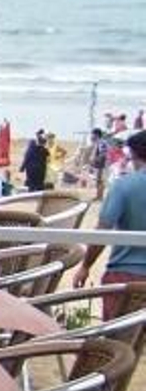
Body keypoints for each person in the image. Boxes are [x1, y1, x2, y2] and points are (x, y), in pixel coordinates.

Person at [76, 130, 146, 316]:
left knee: (119, 339)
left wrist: (86, 265)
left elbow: (103, 230)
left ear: (134, 155)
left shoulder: (124, 185)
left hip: (127, 274)